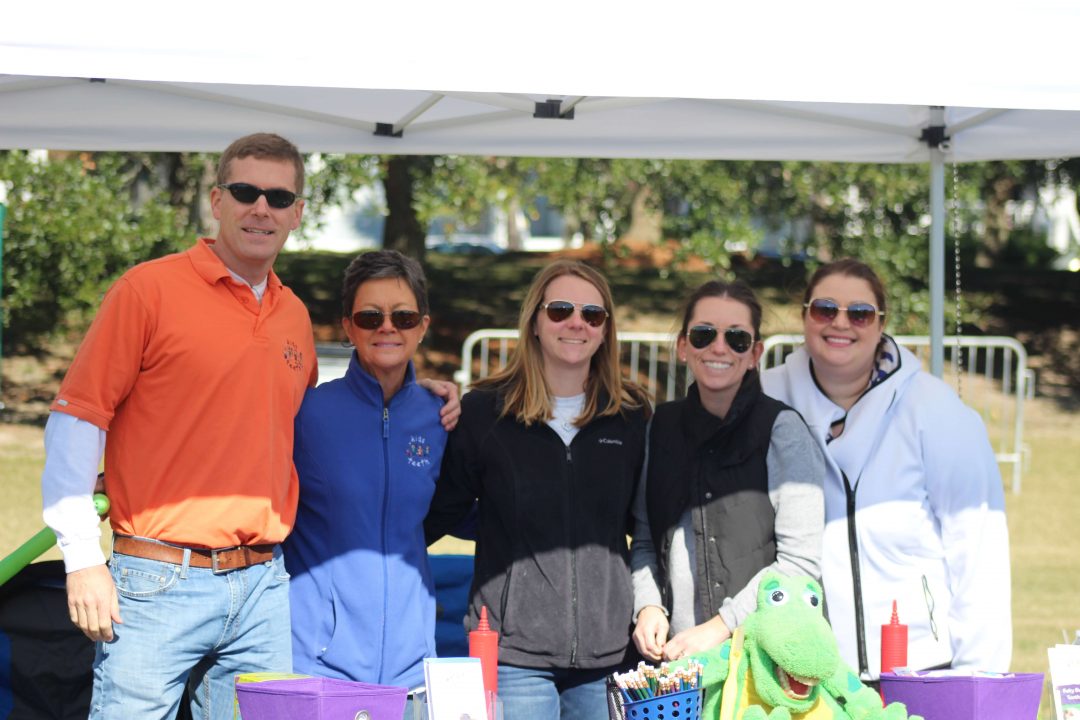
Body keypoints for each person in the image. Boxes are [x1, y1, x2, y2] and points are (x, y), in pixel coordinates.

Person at [38, 134, 458, 720]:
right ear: (216, 200)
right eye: (245, 191)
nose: (262, 208)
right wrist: (81, 558)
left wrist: (417, 394)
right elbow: (77, 417)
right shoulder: (148, 290)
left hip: (263, 584)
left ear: (298, 213)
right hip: (159, 575)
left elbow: (310, 430)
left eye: (279, 197)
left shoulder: (292, 316)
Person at [760, 258, 1012, 679]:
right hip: (802, 671)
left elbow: (977, 544)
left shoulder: (935, 408)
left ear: (881, 323)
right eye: (825, 309)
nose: (841, 324)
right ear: (804, 315)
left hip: (922, 671)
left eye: (859, 313)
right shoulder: (764, 399)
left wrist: (979, 674)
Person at [424, 259, 652, 720]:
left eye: (593, 314)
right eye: (561, 309)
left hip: (607, 655)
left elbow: (647, 529)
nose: (577, 323)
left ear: (606, 330)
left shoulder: (631, 417)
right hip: (512, 656)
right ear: (533, 321)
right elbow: (435, 515)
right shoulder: (484, 413)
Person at [284, 250, 447, 714]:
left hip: (413, 675)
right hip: (320, 668)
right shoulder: (307, 413)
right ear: (348, 327)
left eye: (404, 316)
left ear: (423, 325)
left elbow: (473, 507)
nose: (387, 327)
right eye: (370, 316)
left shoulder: (441, 418)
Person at [630, 279, 825, 664]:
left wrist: (721, 626)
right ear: (683, 347)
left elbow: (800, 565)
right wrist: (648, 606)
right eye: (703, 335)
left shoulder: (784, 430)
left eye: (736, 339)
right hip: (676, 666)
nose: (719, 347)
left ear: (755, 354)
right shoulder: (661, 427)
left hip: (764, 664)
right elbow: (645, 540)